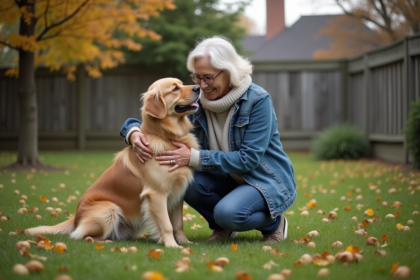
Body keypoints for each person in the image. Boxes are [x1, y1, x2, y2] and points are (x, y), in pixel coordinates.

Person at [120, 36, 296, 243]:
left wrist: (194, 157)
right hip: (226, 177)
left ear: (229, 71)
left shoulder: (258, 101)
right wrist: (131, 131)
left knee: (229, 214)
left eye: (208, 78)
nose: (201, 86)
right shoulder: (197, 102)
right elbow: (155, 115)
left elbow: (249, 159)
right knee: (185, 182)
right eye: (197, 77)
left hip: (262, 180)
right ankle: (223, 228)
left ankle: (274, 224)